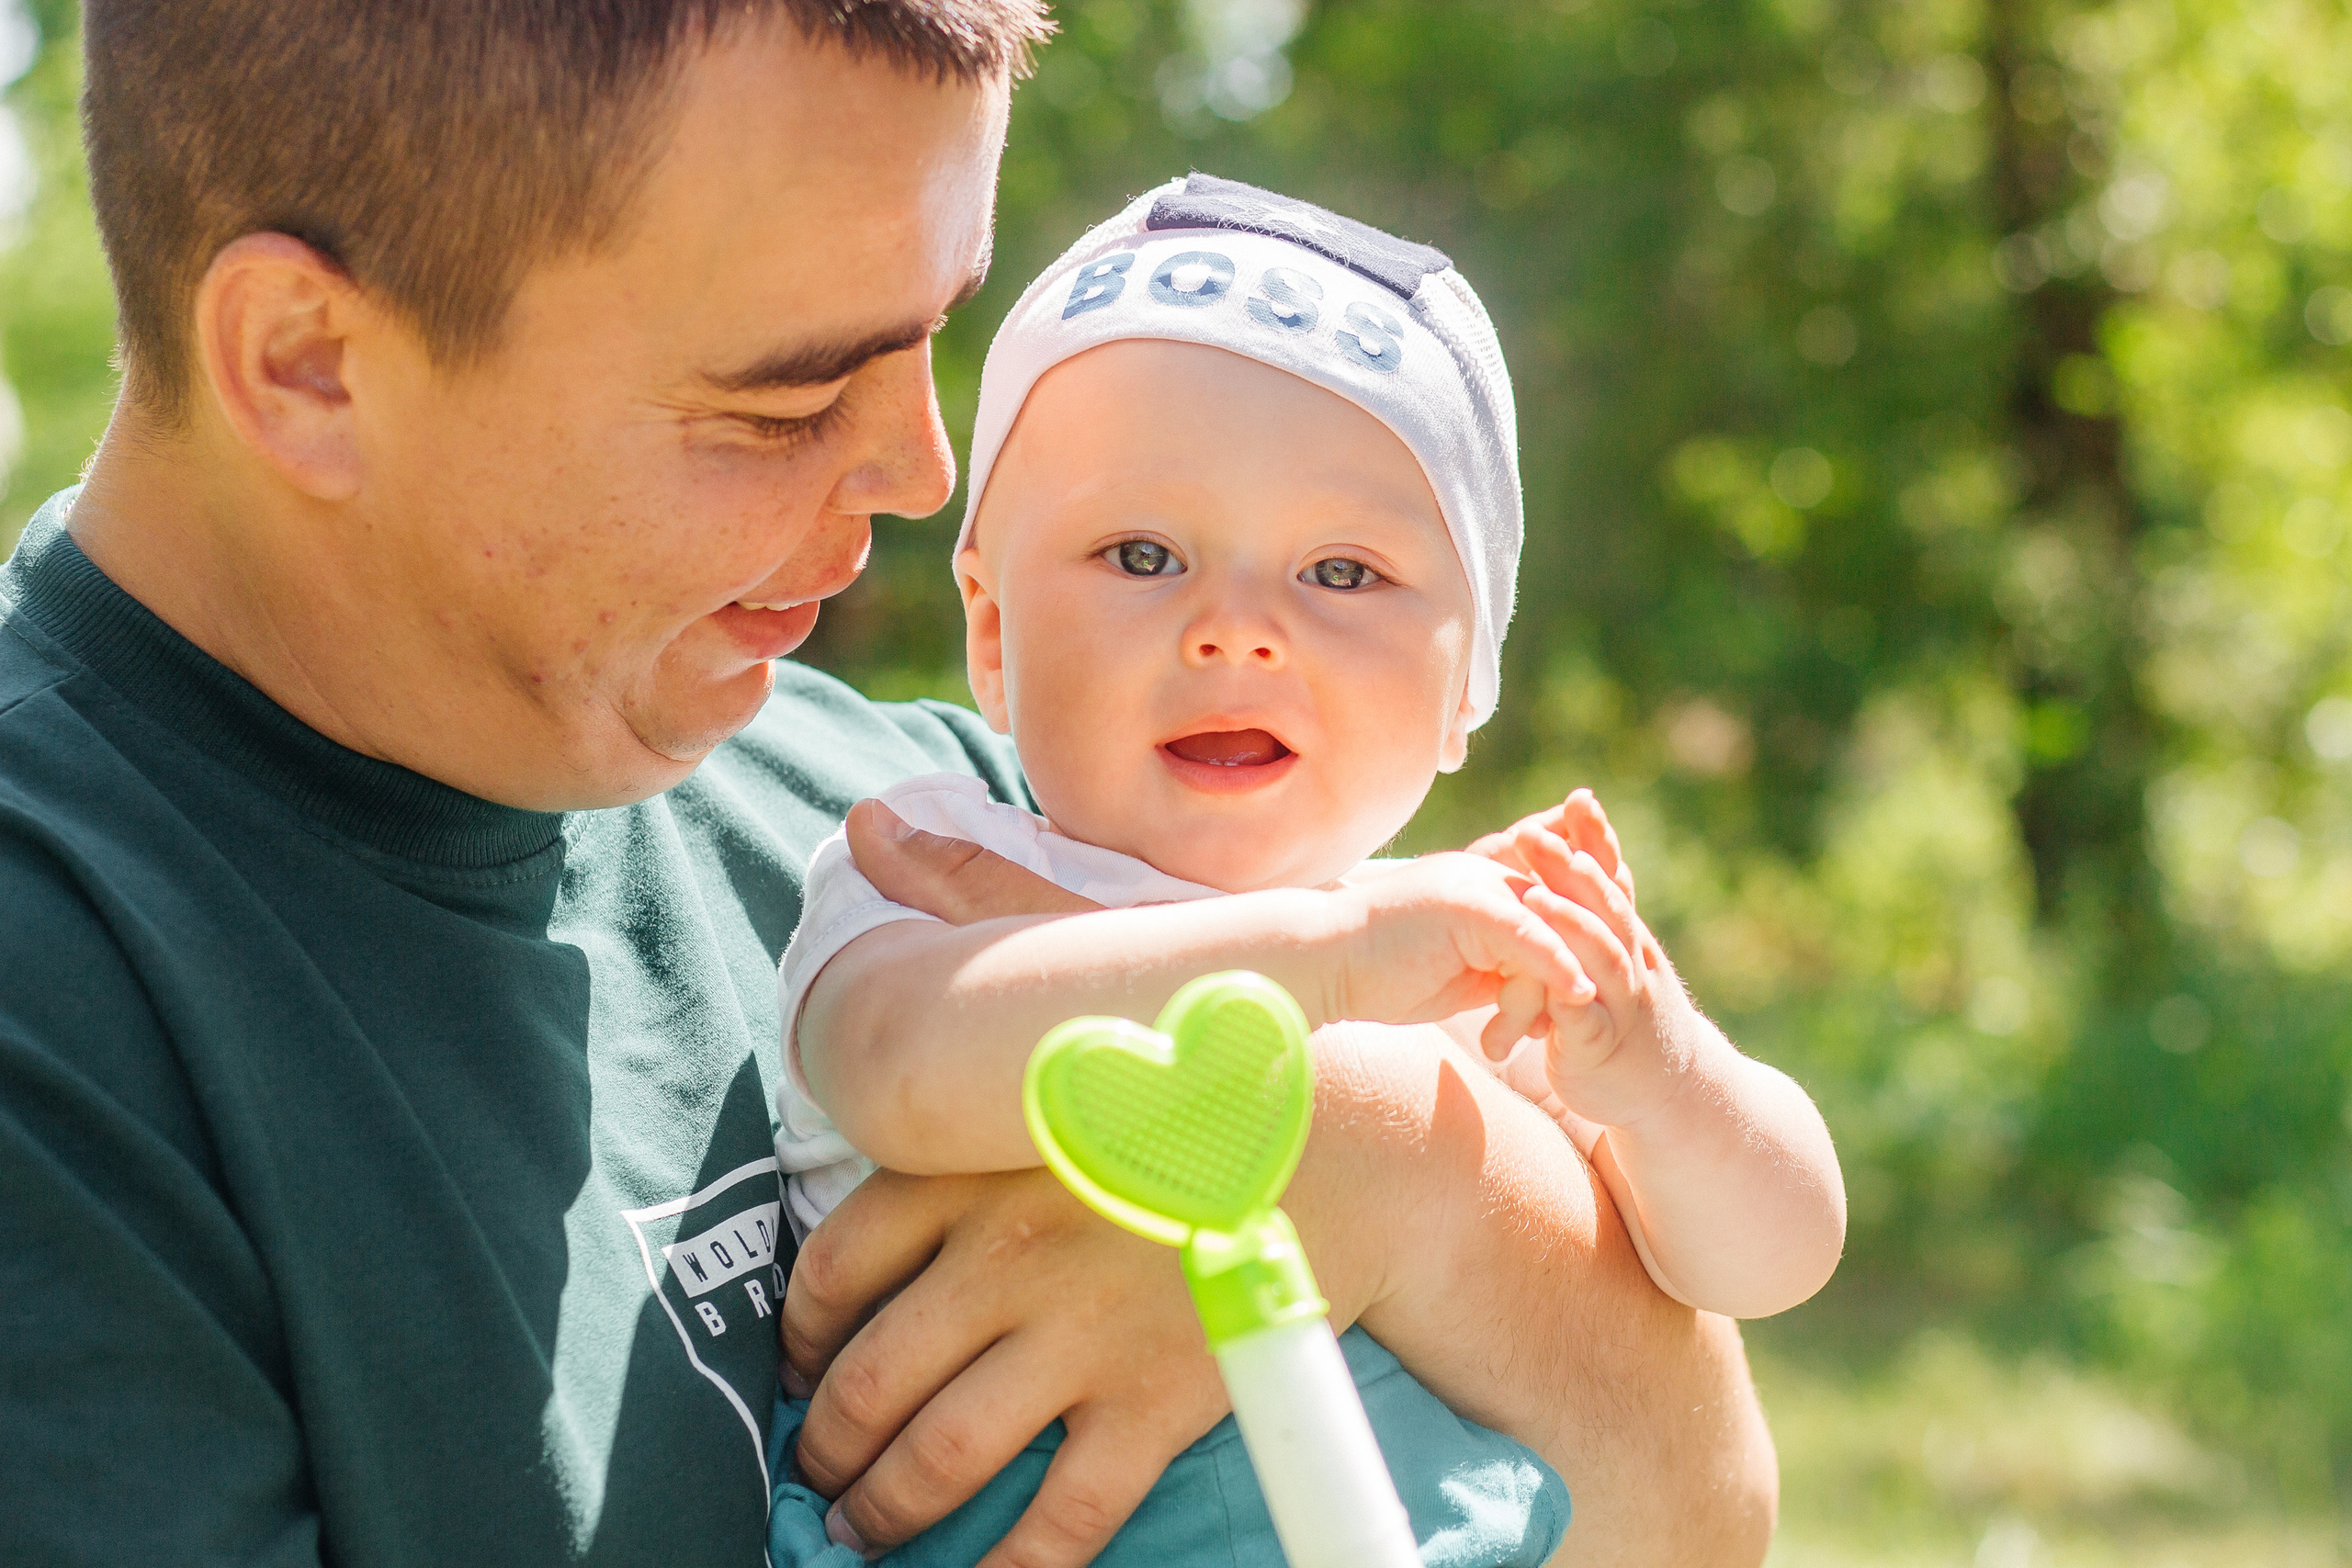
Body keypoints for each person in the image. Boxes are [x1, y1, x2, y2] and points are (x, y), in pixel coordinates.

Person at [0, 5, 1776, 1566]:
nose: (927, 473)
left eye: (936, 332)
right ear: (309, 362)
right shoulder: (65, 1016)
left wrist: (1397, 1166)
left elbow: (1704, 1503)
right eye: (785, 396)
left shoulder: (933, 821)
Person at [764, 176, 1845, 1565]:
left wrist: (1660, 1074)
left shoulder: (1447, 960)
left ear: (1469, 682)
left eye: (1341, 573)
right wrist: (1331, 965)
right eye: (1142, 554)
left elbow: (1772, 1259)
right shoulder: (935, 866)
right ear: (992, 632)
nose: (1235, 629)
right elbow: (898, 1071)